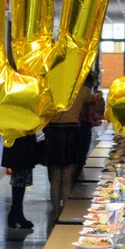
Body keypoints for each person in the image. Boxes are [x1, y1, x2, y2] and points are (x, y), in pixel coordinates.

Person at [41, 76, 95, 229]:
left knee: (55, 176)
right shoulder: (82, 90)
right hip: (72, 132)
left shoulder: (51, 89)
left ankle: (56, 214)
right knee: (68, 176)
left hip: (53, 133)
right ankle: (65, 213)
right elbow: (94, 101)